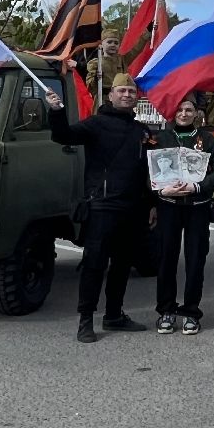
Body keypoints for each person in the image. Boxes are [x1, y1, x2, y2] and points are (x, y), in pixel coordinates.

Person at [45, 73, 153, 343]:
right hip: (103, 207)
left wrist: (151, 205)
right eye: (122, 91)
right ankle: (85, 320)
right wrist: (56, 111)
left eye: (131, 91)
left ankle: (114, 315)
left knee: (122, 265)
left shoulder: (142, 131)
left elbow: (148, 172)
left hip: (133, 208)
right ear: (111, 95)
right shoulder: (95, 124)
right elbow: (63, 136)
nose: (127, 95)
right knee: (94, 265)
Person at [152, 95, 214, 335]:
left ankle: (191, 312)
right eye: (180, 110)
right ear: (173, 113)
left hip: (197, 206)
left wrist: (199, 186)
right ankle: (166, 310)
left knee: (195, 261)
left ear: (197, 113)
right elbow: (148, 171)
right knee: (166, 259)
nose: (184, 114)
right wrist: (159, 190)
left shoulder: (206, 139)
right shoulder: (161, 138)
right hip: (168, 206)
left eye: (188, 110)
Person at [85, 28, 123, 92]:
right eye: (109, 42)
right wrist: (96, 78)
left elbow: (136, 48)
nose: (113, 45)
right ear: (102, 45)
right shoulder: (95, 63)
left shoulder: (122, 60)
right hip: (102, 99)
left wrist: (145, 32)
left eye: (116, 43)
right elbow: (89, 86)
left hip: (120, 98)